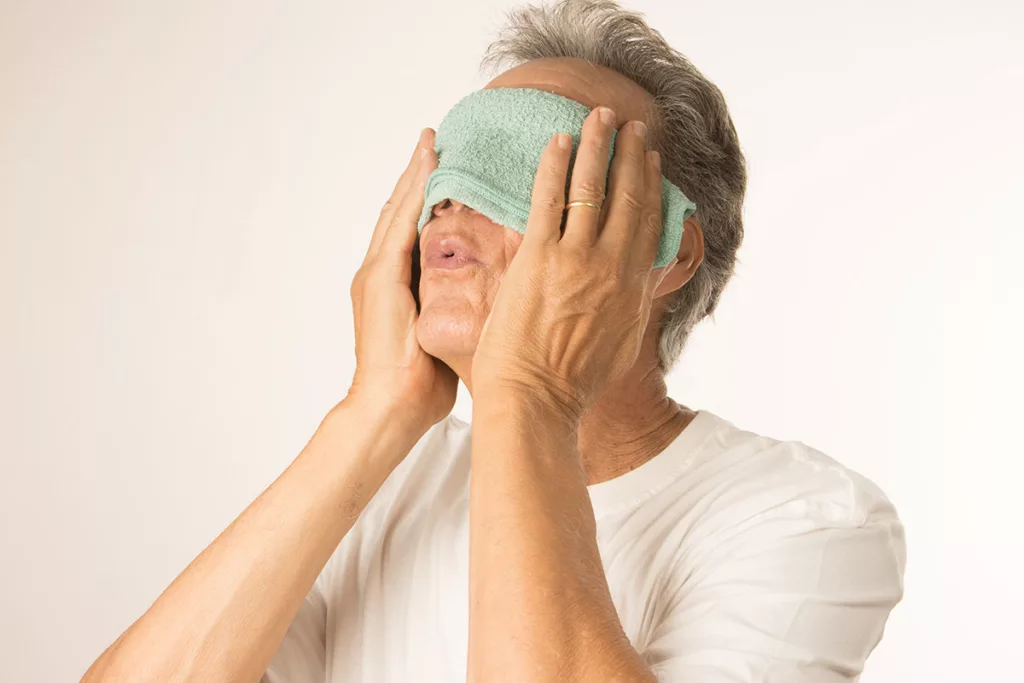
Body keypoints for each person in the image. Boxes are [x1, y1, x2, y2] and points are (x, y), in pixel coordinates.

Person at [81, 1, 905, 681]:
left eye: (521, 162)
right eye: (449, 166)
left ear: (667, 252)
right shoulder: (385, 488)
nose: (448, 199)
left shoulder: (803, 520)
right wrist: (373, 412)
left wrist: (530, 392)